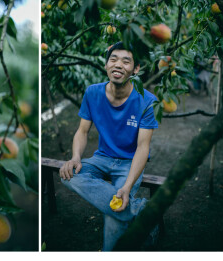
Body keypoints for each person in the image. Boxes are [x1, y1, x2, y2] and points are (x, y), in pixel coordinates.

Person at [59, 41, 158, 251]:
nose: (118, 65)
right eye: (113, 59)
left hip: (129, 162)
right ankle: (140, 209)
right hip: (101, 157)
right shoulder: (93, 93)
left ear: (136, 69)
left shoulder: (147, 101)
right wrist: (76, 157)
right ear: (106, 65)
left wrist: (127, 186)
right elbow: (82, 131)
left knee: (116, 212)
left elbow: (143, 148)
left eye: (126, 61)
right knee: (67, 174)